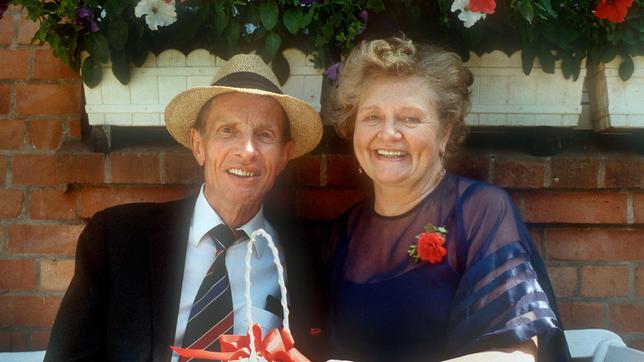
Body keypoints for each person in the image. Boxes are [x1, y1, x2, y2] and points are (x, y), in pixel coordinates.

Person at [45, 54, 325, 361]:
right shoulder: (117, 239)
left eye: (265, 135)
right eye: (227, 131)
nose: (247, 151)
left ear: (284, 155)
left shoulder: (308, 256)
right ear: (198, 145)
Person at [324, 38, 571, 362]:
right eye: (372, 117)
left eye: (410, 118)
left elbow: (514, 356)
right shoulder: (345, 233)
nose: (388, 133)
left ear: (444, 132)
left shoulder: (479, 212)